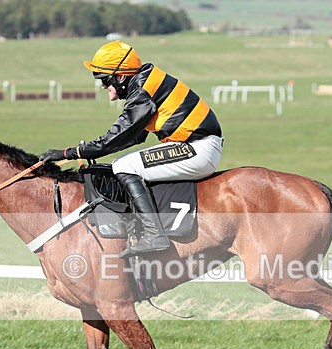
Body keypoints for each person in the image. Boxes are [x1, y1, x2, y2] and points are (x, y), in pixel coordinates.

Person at [41, 41, 223, 257]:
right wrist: (85, 150)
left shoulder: (143, 92)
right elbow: (133, 137)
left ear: (120, 77)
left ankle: (154, 234)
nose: (103, 87)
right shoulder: (146, 82)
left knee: (124, 165)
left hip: (197, 149)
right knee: (124, 162)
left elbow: (115, 138)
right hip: (197, 145)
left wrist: (69, 153)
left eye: (104, 80)